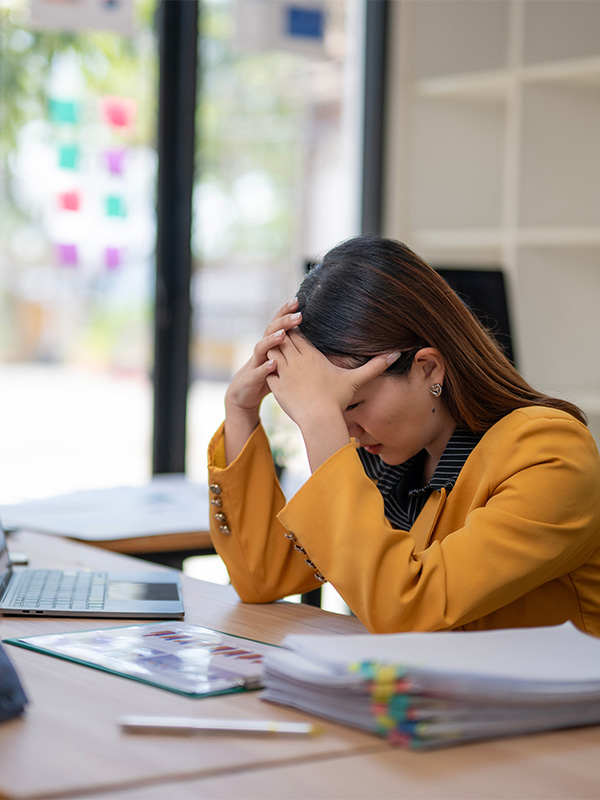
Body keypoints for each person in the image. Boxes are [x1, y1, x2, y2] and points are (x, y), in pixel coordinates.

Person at [207, 236, 600, 635]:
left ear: (428, 369)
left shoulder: (550, 455)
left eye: (352, 404)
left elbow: (405, 608)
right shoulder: (395, 458)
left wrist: (321, 418)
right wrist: (241, 411)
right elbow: (263, 575)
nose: (347, 432)